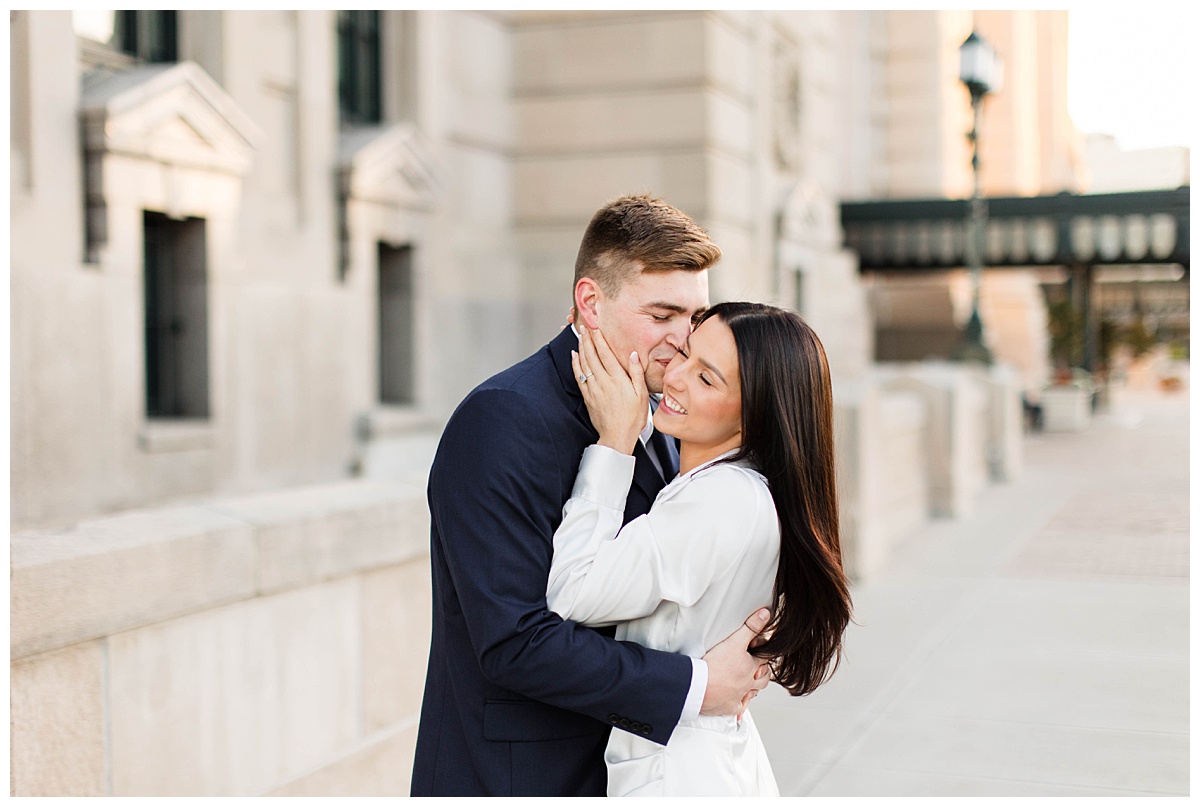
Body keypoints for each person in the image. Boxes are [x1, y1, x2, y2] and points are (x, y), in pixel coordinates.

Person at [411, 195, 772, 797]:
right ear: (590, 302)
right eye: (662, 315)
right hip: (519, 777)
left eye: (694, 316)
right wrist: (696, 687)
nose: (684, 342)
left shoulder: (663, 415)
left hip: (631, 768)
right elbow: (513, 641)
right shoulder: (499, 421)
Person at [548, 302, 853, 796]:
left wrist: (612, 444)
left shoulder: (722, 498)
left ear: (757, 415)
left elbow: (571, 592)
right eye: (686, 353)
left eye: (707, 379)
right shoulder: (740, 489)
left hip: (680, 775)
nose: (676, 376)